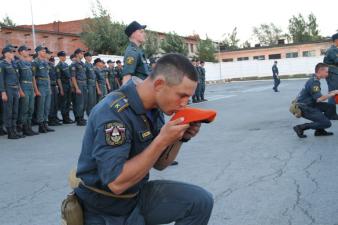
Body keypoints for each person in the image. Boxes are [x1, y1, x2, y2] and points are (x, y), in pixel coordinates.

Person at [74, 53, 213, 225]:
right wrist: (161, 140)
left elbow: (160, 164)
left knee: (200, 201)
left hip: (135, 196)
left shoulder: (155, 107)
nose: (185, 103)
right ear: (159, 84)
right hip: (104, 208)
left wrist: (179, 138)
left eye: (188, 97)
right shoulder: (113, 113)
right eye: (182, 95)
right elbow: (116, 183)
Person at [293, 63, 338, 138]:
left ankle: (319, 130)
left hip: (310, 103)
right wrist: (334, 93)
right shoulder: (314, 82)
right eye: (326, 72)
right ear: (320, 71)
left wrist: (333, 92)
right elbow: (319, 99)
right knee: (327, 123)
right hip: (304, 107)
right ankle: (301, 127)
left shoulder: (315, 79)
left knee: (330, 107)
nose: (328, 74)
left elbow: (316, 97)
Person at [0, 44, 24, 139]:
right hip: (8, 89)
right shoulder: (2, 64)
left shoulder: (13, 64)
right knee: (8, 111)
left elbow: (17, 79)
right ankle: (10, 132)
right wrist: (3, 92)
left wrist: (18, 90)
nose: (13, 53)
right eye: (11, 52)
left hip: (15, 89)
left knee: (15, 111)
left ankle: (14, 130)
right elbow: (0, 79)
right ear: (5, 54)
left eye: (13, 52)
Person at [16, 45, 39, 136]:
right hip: (23, 85)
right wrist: (20, 90)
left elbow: (33, 78)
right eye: (25, 50)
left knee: (31, 108)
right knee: (24, 108)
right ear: (21, 52)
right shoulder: (18, 63)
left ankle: (28, 127)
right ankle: (22, 127)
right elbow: (17, 79)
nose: (27, 52)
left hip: (30, 86)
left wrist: (34, 89)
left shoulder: (29, 64)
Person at [32, 45, 55, 133]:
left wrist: (49, 87)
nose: (44, 53)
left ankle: (46, 123)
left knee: (47, 106)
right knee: (41, 106)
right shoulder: (35, 63)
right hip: (40, 85)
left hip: (46, 85)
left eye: (45, 51)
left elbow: (48, 75)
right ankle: (40, 125)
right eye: (43, 51)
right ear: (38, 52)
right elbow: (33, 77)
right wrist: (36, 90)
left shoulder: (46, 62)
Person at [70, 48, 87, 126]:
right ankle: (78, 118)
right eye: (81, 53)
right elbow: (73, 77)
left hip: (84, 83)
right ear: (77, 54)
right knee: (79, 102)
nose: (82, 55)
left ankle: (82, 117)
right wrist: (76, 88)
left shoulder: (82, 64)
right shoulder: (74, 64)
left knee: (83, 102)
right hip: (79, 83)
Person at [323, 32, 338, 106]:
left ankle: (333, 111)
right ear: (336, 40)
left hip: (332, 73)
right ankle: (331, 112)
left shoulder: (331, 49)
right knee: (333, 92)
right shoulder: (333, 50)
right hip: (333, 73)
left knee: (334, 92)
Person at [48, 56, 62, 126]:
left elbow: (57, 78)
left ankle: (54, 117)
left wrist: (58, 87)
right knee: (51, 104)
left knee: (55, 103)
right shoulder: (47, 65)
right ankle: (51, 119)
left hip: (54, 85)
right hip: (49, 85)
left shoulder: (53, 67)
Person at [84, 52, 97, 116]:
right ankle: (89, 113)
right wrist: (86, 87)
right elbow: (85, 76)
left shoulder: (91, 65)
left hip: (93, 83)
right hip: (89, 84)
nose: (91, 57)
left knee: (94, 100)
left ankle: (93, 112)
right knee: (90, 100)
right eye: (89, 56)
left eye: (91, 56)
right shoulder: (85, 65)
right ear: (86, 57)